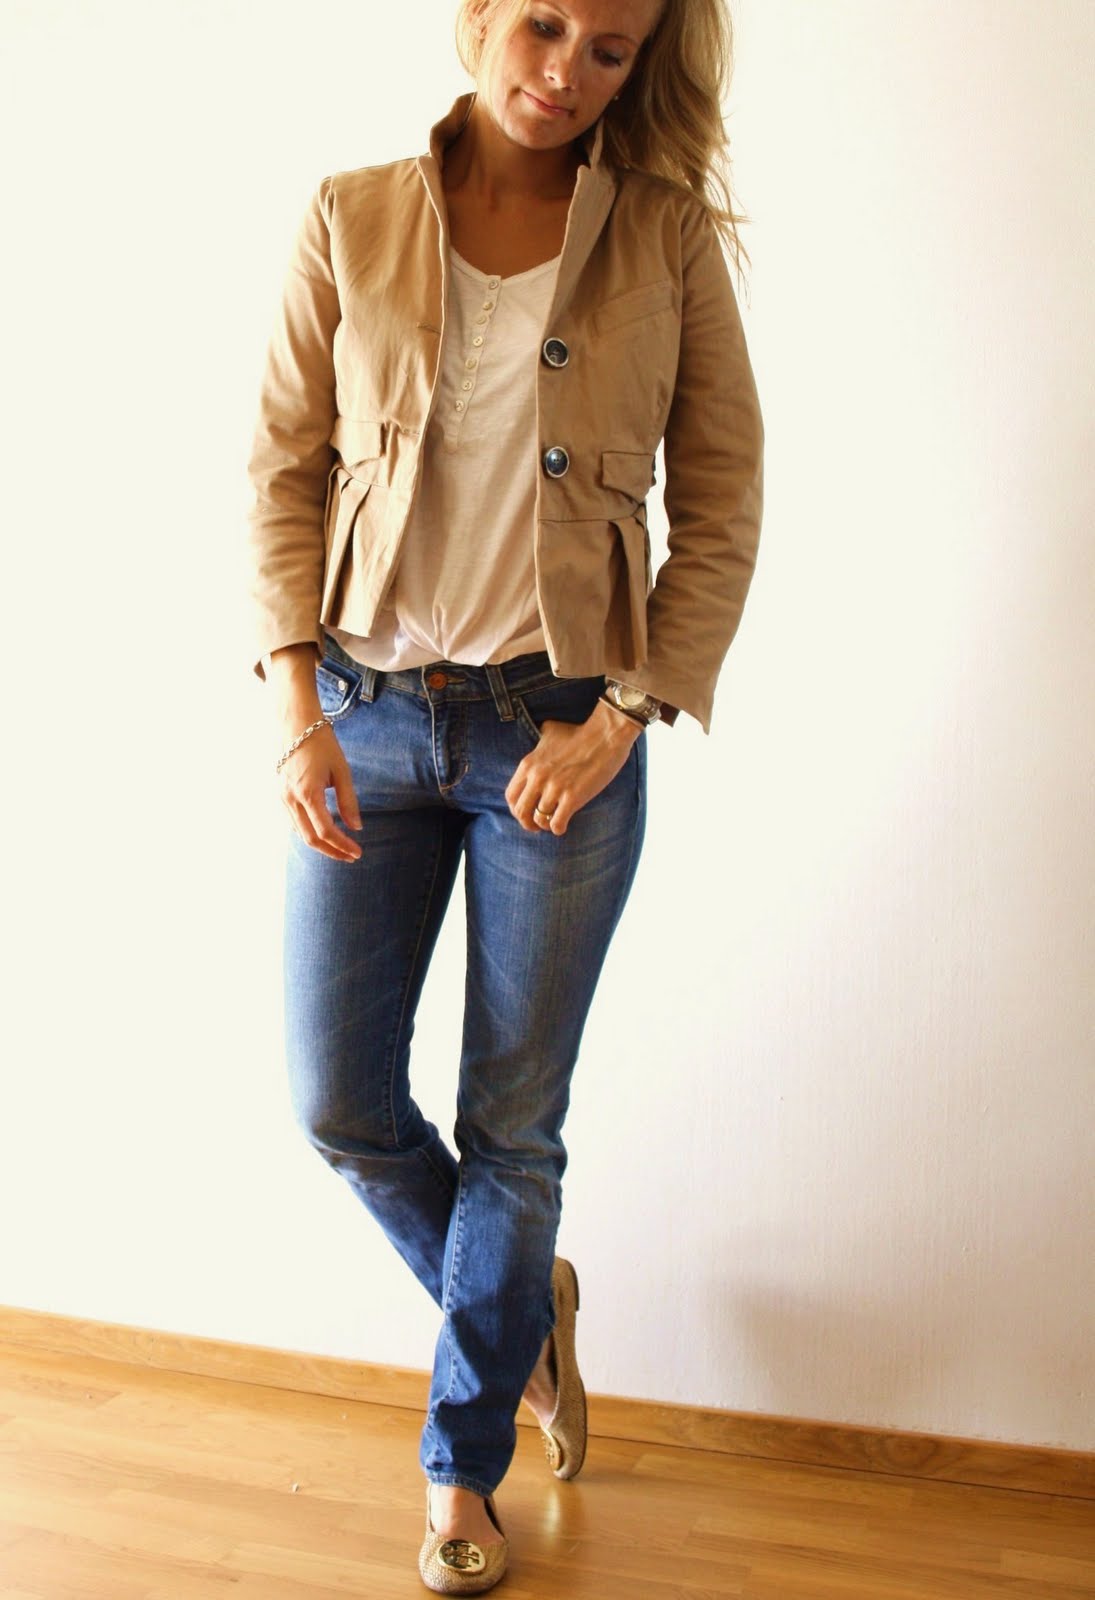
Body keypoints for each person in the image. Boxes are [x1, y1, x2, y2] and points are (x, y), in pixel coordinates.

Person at [245, 0, 763, 1590]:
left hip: (560, 737)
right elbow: (280, 465)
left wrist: (623, 716)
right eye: (543, 26)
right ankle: (527, 1314)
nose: (566, 71)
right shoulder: (351, 214)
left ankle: (460, 1473)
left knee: (512, 1126)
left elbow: (724, 494)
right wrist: (294, 710)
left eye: (611, 50)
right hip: (366, 721)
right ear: (480, 16)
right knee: (339, 1100)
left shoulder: (663, 237)